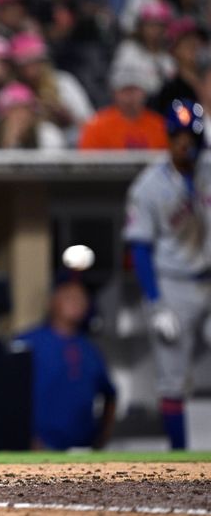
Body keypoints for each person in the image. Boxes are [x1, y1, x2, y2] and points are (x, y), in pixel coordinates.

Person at [124, 99, 210, 449]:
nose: (184, 143)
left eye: (191, 135)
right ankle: (180, 460)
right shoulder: (148, 185)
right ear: (168, 137)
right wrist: (156, 303)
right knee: (172, 379)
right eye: (178, 135)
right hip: (174, 285)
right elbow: (139, 246)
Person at [15, 273, 117, 450]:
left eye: (81, 297)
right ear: (53, 300)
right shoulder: (28, 342)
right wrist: (21, 437)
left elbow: (109, 394)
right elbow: (5, 393)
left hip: (82, 450)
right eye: (69, 296)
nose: (76, 301)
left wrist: (102, 438)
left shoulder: (90, 349)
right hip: (39, 448)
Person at [78, 65, 168, 150]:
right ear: (114, 93)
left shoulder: (160, 126)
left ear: (144, 92)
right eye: (124, 90)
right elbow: (88, 162)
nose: (130, 96)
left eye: (134, 90)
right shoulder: (96, 127)